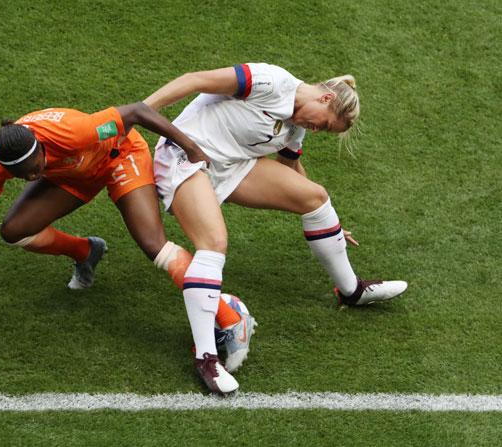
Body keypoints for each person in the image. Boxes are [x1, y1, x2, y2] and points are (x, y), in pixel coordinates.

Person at [144, 63, 408, 394]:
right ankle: (206, 357)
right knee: (213, 242)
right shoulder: (269, 82)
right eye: (323, 124)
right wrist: (143, 111)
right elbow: (193, 80)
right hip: (185, 157)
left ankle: (351, 290)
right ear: (325, 97)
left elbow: (291, 167)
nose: (315, 131)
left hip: (230, 166)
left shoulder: (295, 127)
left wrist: (332, 228)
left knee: (316, 197)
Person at [0, 101, 256, 372]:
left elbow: (137, 112)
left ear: (40, 146)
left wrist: (191, 148)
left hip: (119, 158)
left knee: (153, 246)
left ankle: (231, 316)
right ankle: (85, 253)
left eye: (35, 168)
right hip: (74, 175)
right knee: (13, 230)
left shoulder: (76, 132)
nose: (32, 177)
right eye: (24, 176)